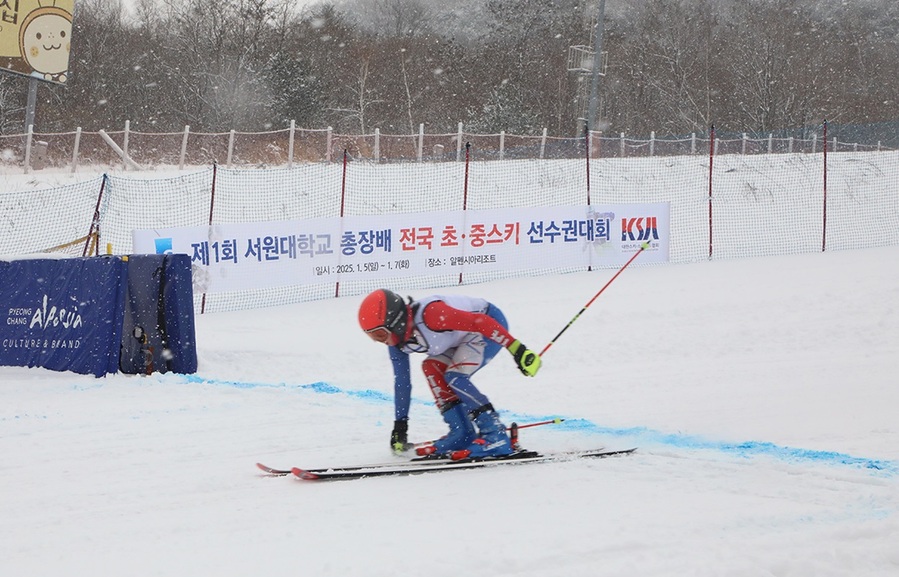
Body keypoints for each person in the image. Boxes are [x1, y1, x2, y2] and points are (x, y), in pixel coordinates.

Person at [357, 289, 542, 460]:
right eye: (372, 336)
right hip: (461, 336)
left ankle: (496, 436)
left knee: (455, 376)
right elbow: (402, 383)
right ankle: (462, 433)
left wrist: (518, 350)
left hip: (488, 324)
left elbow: (480, 321)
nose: (378, 341)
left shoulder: (432, 315)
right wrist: (400, 426)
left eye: (380, 334)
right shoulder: (396, 343)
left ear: (396, 322)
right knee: (431, 367)